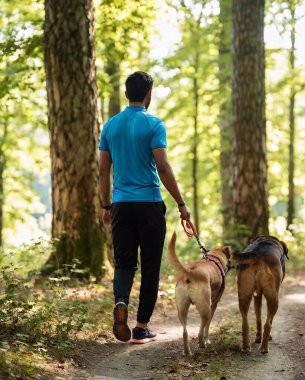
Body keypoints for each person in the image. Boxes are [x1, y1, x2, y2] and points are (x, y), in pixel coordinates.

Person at [98, 71, 191, 344]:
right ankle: (140, 328)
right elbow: (162, 166)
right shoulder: (153, 124)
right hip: (149, 204)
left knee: (124, 263)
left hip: (122, 206)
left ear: (126, 94)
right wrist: (181, 204)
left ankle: (120, 301)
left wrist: (106, 205)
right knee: (150, 266)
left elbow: (103, 170)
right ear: (149, 95)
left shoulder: (110, 126)